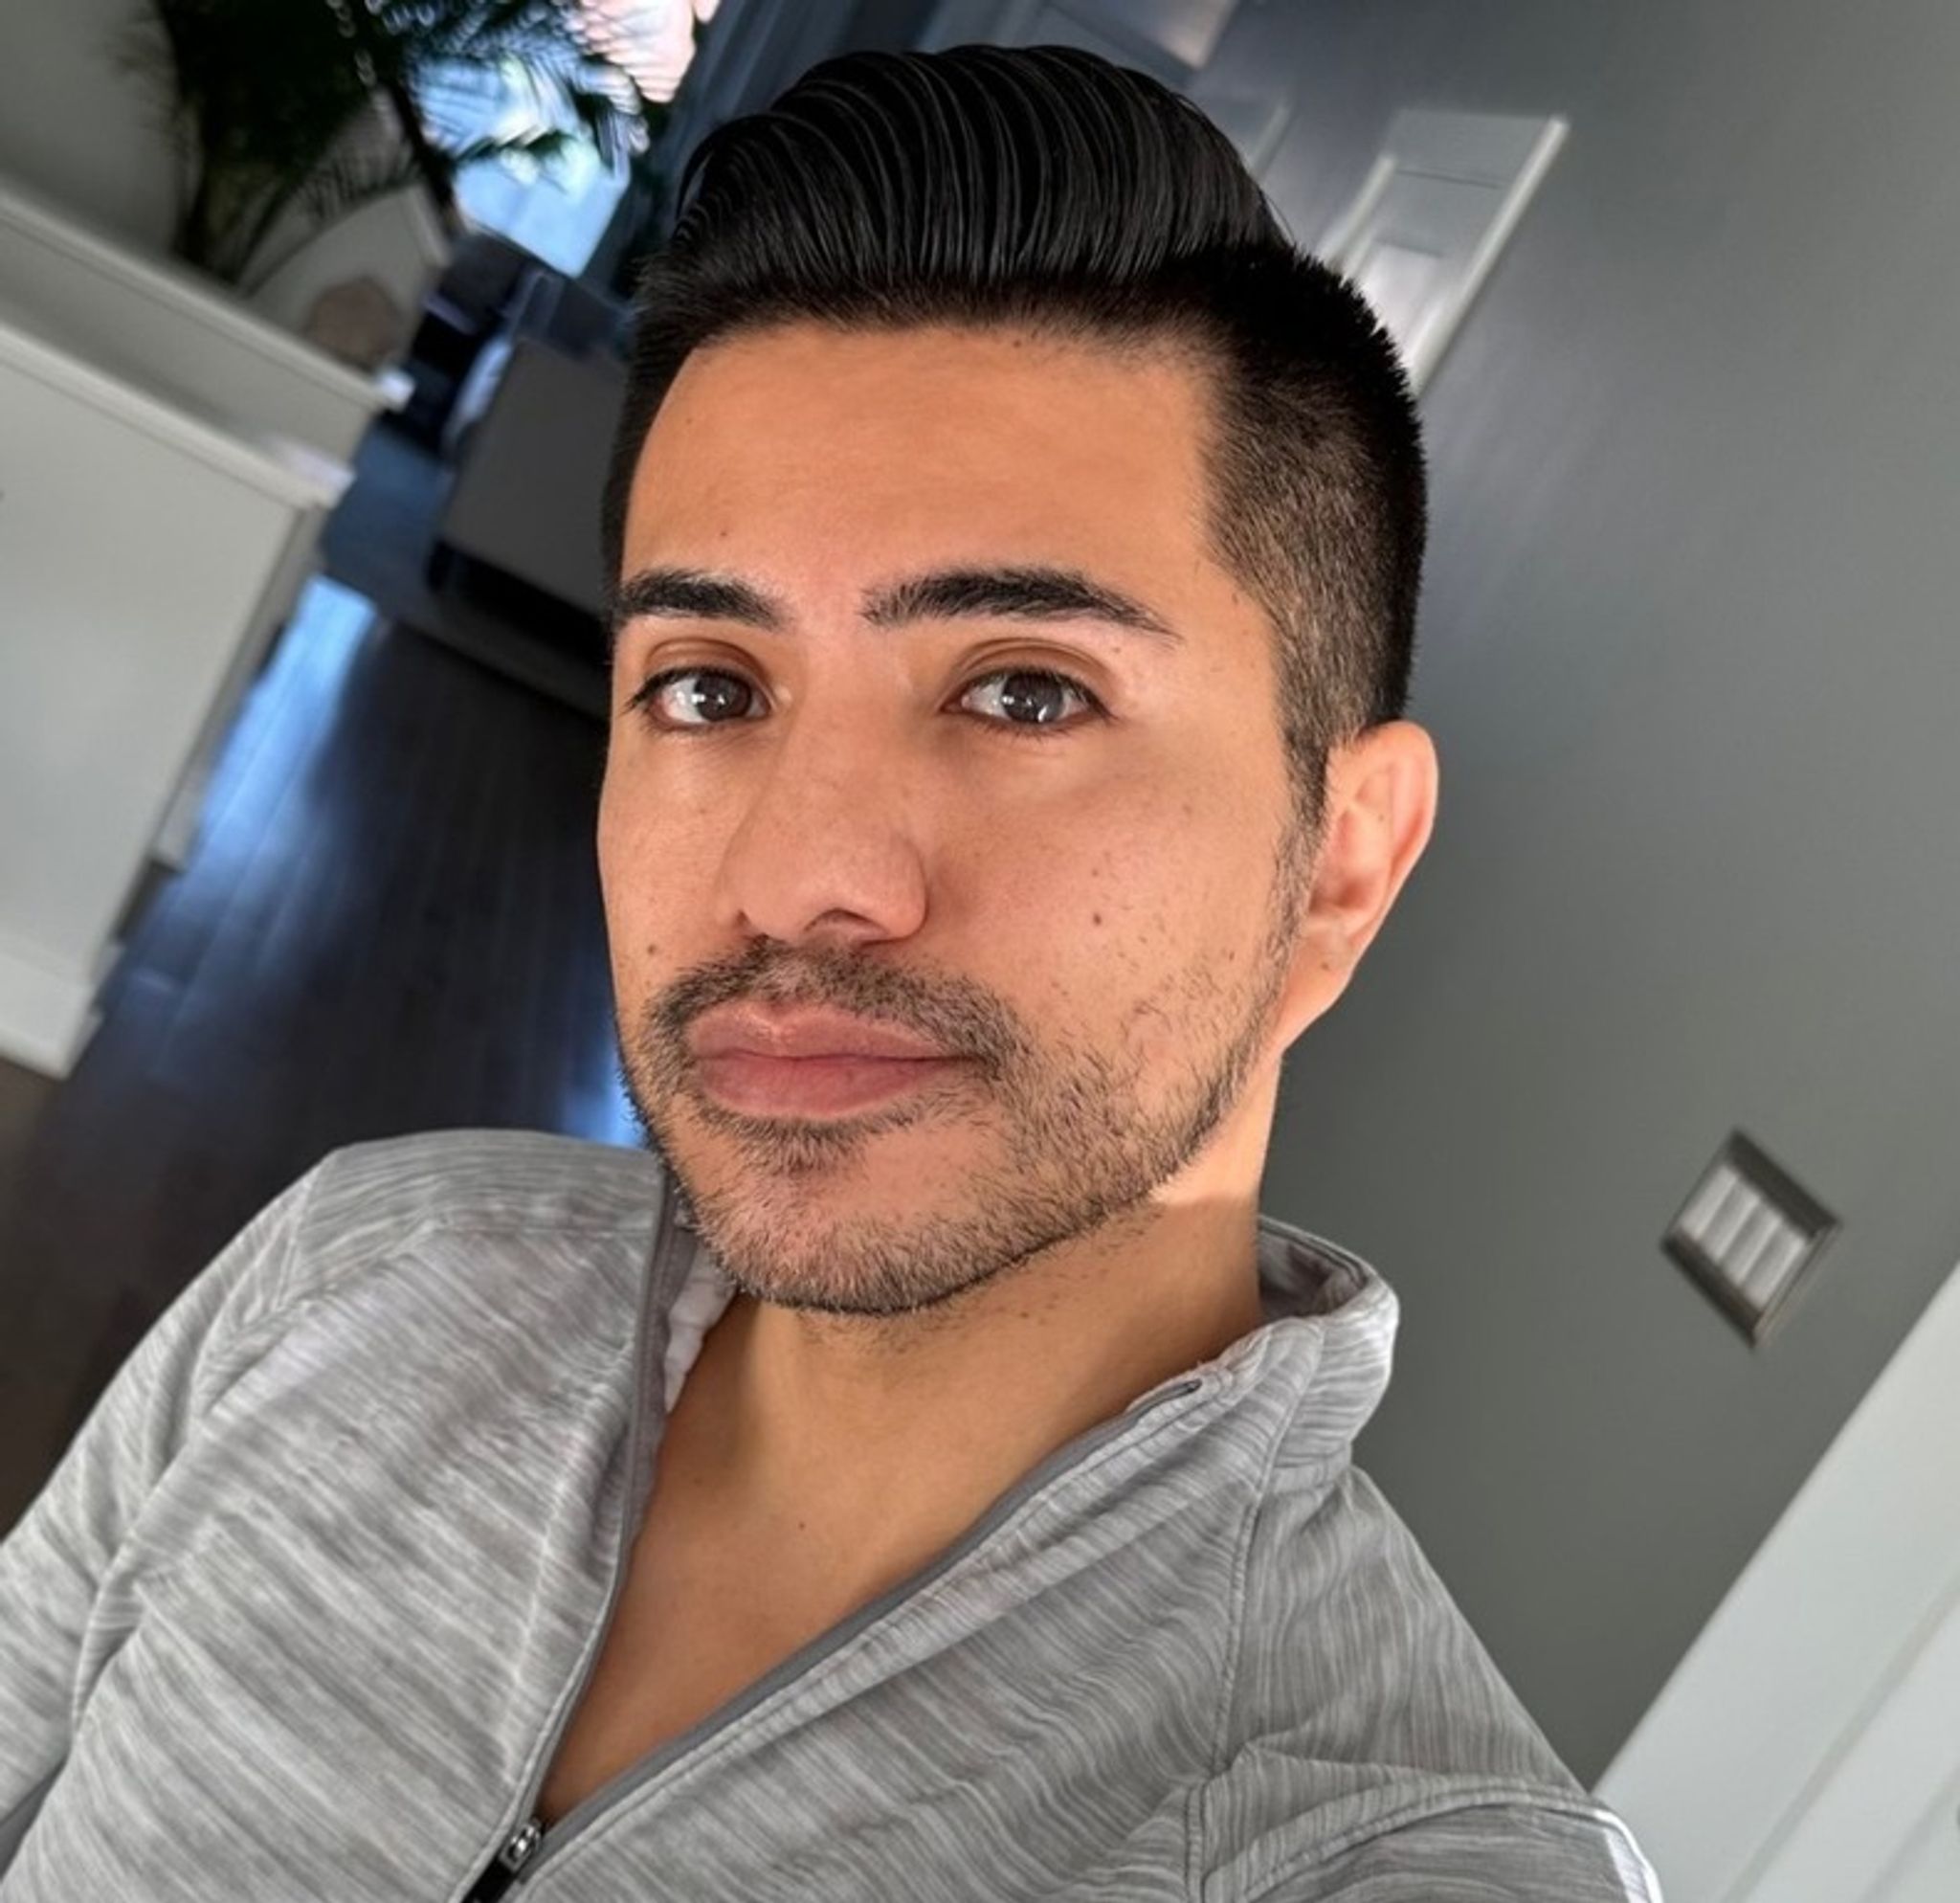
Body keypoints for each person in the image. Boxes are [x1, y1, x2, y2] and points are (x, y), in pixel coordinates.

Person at [0, 42, 1664, 1903]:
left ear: (1340, 861)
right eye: (711, 687)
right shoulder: (364, 1269)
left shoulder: (1389, 1854)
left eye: (1023, 691)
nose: (797, 878)